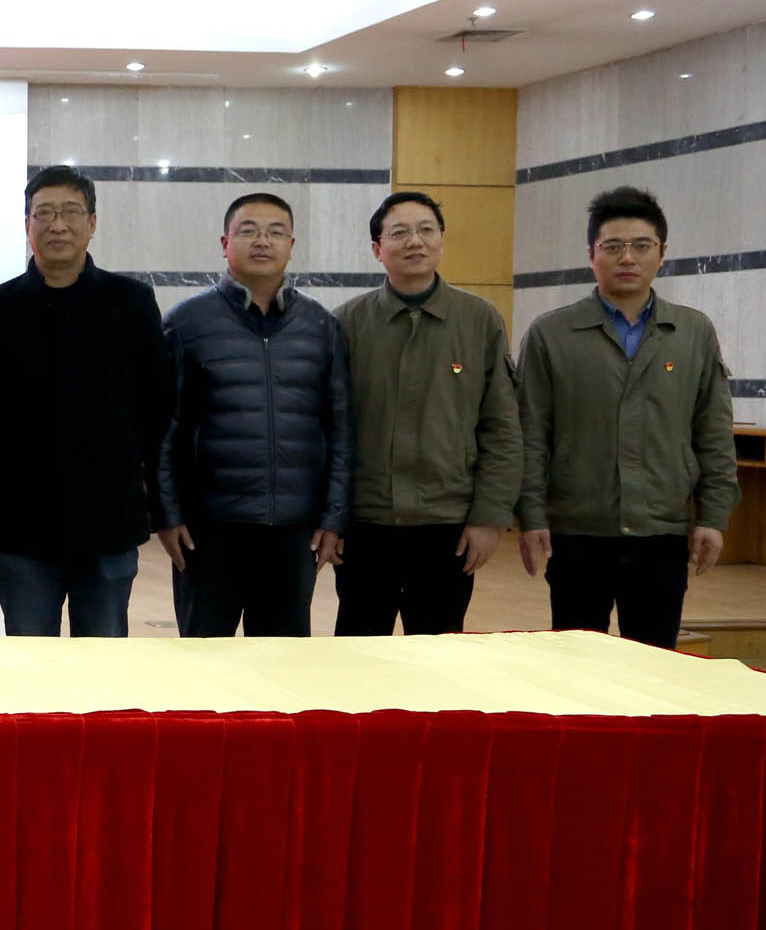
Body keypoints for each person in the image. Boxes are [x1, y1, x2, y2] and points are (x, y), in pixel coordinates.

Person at [518, 185, 735, 649]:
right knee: (576, 662)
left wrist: (713, 516)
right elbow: (531, 434)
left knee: (654, 664)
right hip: (578, 533)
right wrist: (531, 516)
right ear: (591, 255)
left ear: (662, 253)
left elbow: (712, 433)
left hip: (661, 532)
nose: (628, 258)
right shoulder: (552, 334)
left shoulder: (692, 332)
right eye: (613, 246)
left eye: (641, 245)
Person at [0, 166, 170, 637]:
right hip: (23, 520)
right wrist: (11, 470)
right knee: (30, 658)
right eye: (45, 213)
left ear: (91, 223)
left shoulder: (131, 303)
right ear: (27, 224)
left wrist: (130, 473)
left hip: (108, 519)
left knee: (103, 656)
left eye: (71, 212)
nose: (57, 224)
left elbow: (156, 402)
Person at [155, 193, 352, 637]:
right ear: (225, 243)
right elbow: (164, 431)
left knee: (281, 664)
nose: (262, 241)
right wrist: (167, 514)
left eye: (275, 232)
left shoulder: (321, 327)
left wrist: (333, 518)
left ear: (291, 245)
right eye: (248, 231)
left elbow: (340, 430)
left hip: (294, 530)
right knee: (205, 661)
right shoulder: (186, 324)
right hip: (209, 530)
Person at [334, 191, 522, 635]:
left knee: (439, 655)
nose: (414, 241)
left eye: (426, 230)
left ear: (441, 240)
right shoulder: (346, 324)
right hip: (365, 524)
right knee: (359, 653)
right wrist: (330, 517)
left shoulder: (479, 320)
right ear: (378, 248)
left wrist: (488, 517)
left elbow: (501, 428)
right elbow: (328, 430)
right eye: (399, 232)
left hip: (447, 525)